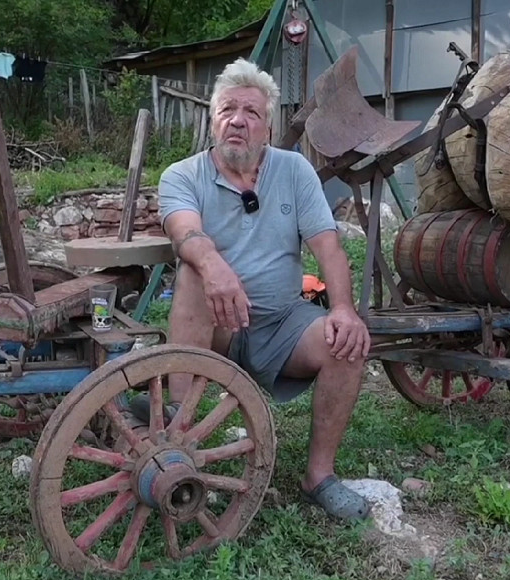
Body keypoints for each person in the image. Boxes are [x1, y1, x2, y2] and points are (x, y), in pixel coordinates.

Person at [154, 58, 371, 521]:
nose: (238, 120)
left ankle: (319, 476)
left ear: (266, 127)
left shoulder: (294, 171)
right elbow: (184, 233)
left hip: (280, 323)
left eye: (251, 112)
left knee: (345, 344)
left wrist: (344, 310)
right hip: (213, 327)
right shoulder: (181, 175)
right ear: (212, 121)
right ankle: (175, 435)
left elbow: (329, 249)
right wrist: (215, 264)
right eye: (228, 109)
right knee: (193, 268)